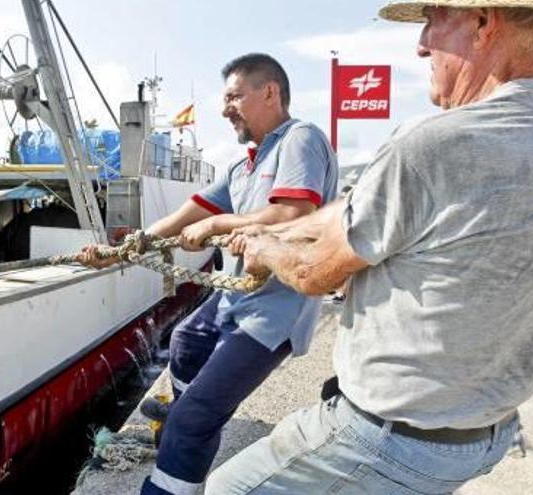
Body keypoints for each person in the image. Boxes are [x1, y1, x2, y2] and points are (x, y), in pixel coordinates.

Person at [206, 1, 533, 493]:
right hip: (483, 434)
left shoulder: (436, 143)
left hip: (388, 440)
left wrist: (264, 246)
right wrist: (291, 230)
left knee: (227, 488)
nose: (422, 43)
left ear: (481, 22)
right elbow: (358, 213)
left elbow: (315, 273)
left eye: (434, 18)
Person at [77, 53, 338, 494]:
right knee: (186, 340)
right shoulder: (244, 166)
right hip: (235, 299)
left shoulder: (300, 139)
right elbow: (189, 212)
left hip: (274, 308)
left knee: (194, 419)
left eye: (235, 95)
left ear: (270, 92)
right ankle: (179, 415)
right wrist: (124, 249)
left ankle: (176, 455)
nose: (225, 108)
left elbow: (295, 212)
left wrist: (217, 225)